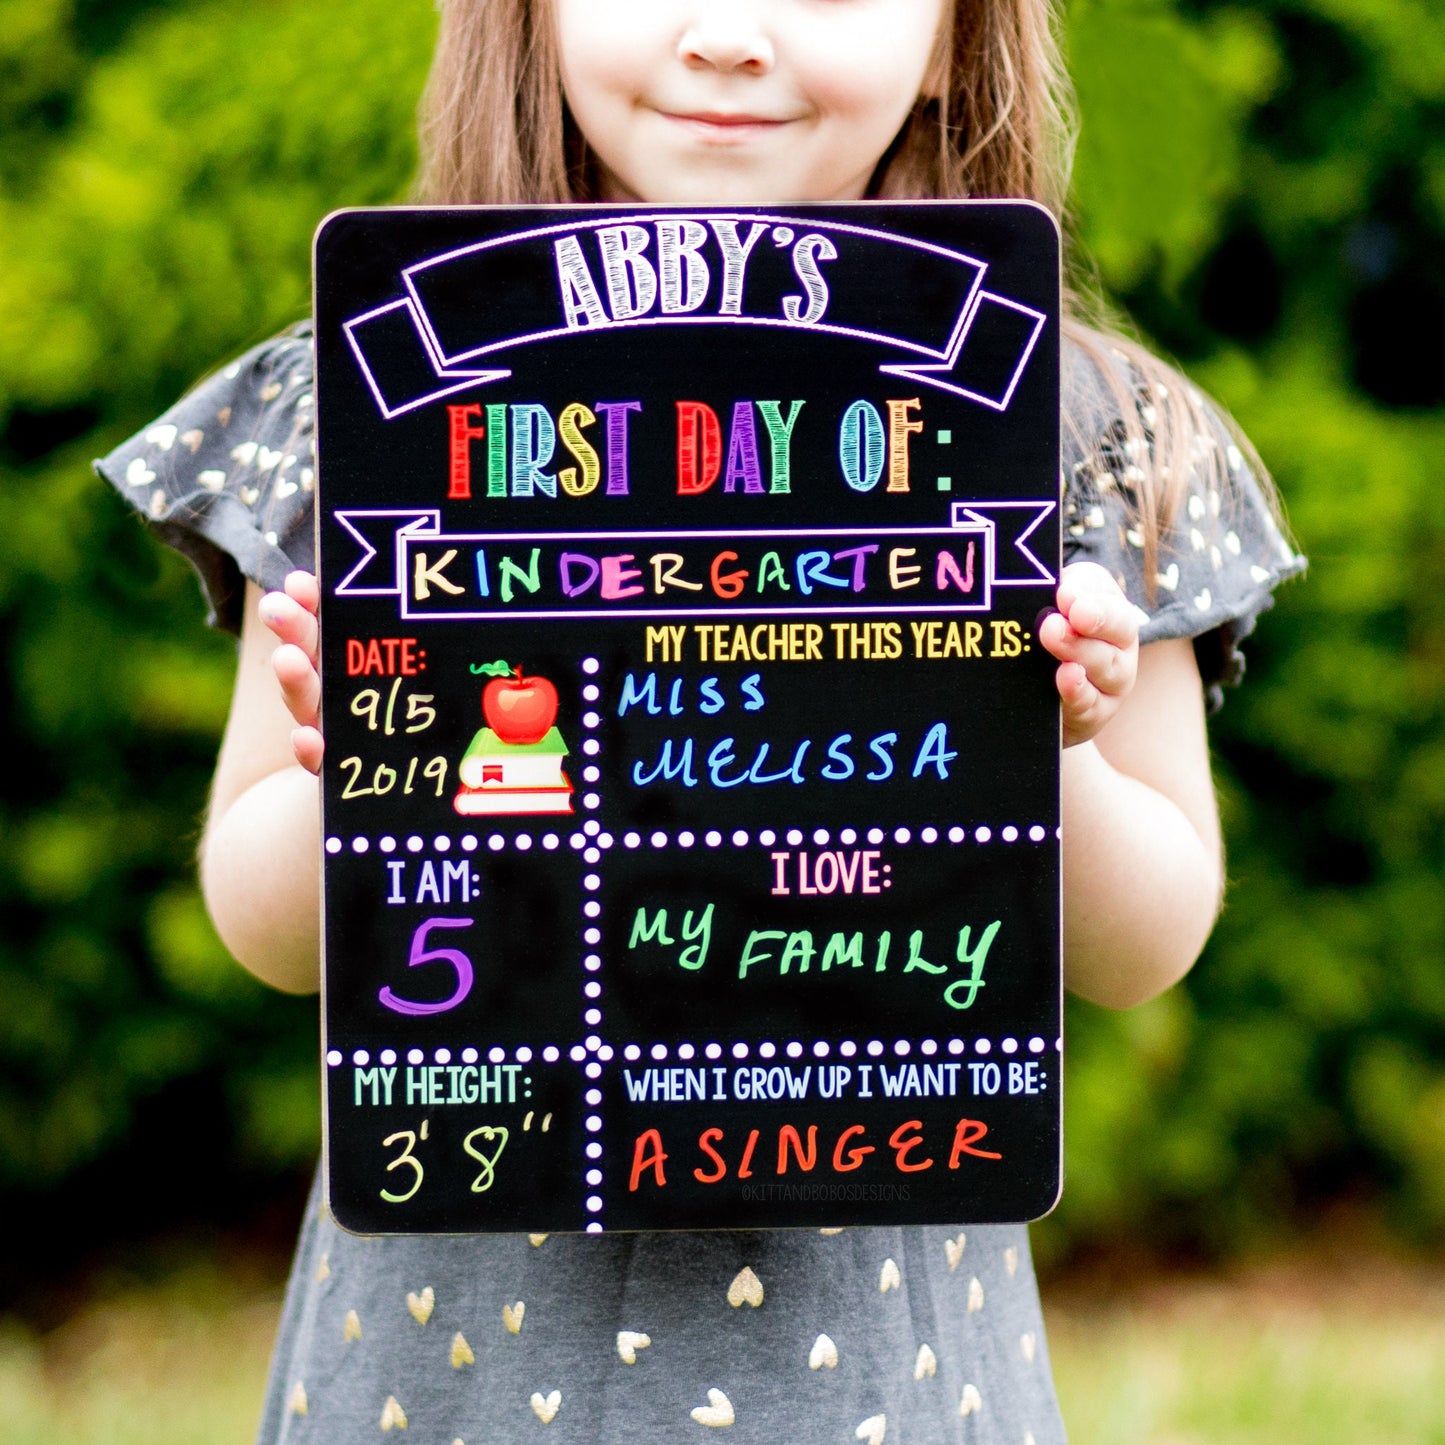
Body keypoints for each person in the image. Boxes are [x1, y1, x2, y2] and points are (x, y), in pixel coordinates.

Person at [96, 1, 1304, 1441]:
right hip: (443, 1365)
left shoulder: (1069, 431)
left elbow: (1145, 941)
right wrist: (356, 761)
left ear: (953, 35)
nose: (729, 34)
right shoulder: (376, 405)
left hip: (873, 1374)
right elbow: (265, 922)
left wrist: (1056, 749)